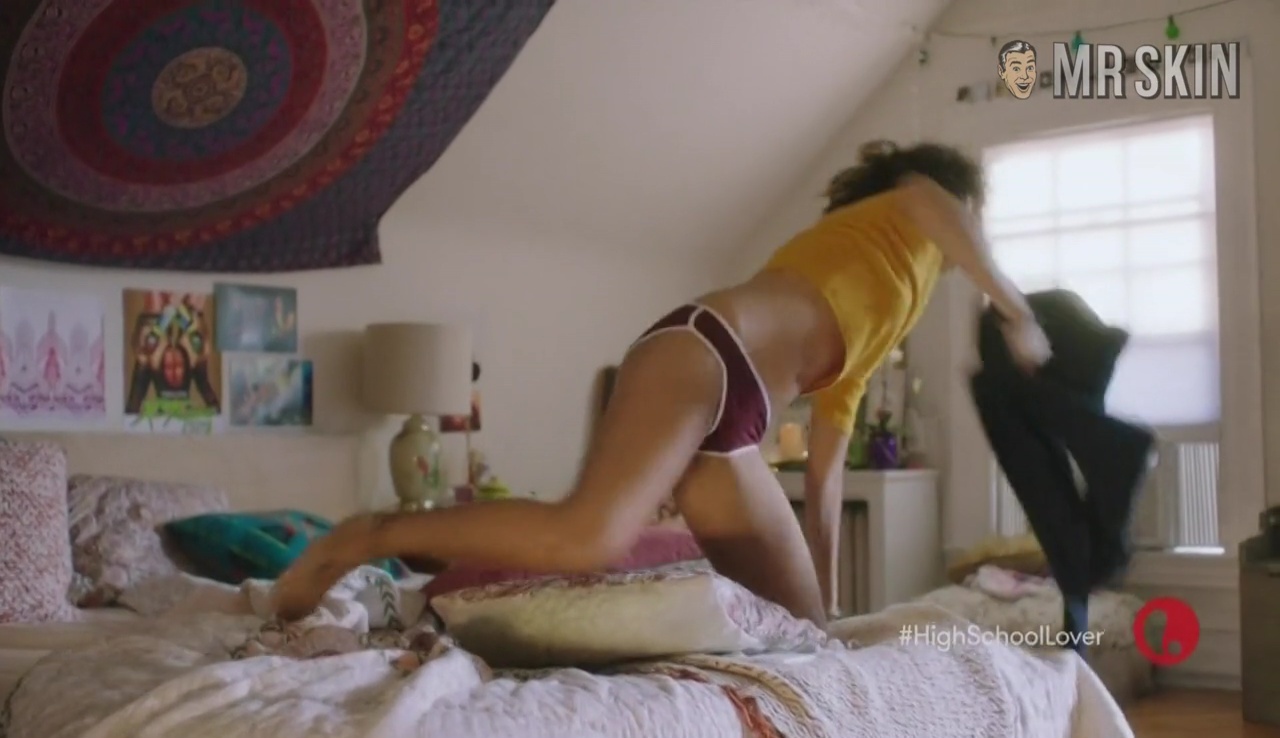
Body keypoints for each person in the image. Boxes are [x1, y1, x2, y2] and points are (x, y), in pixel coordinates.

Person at [271, 140, 1052, 626]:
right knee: (590, 537)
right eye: (973, 214)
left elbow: (825, 475)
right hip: (703, 352)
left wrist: (833, 598)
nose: (970, 232)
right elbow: (929, 199)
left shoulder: (893, 305)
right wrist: (1013, 308)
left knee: (805, 632)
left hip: (737, 429)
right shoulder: (901, 213)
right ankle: (371, 534)